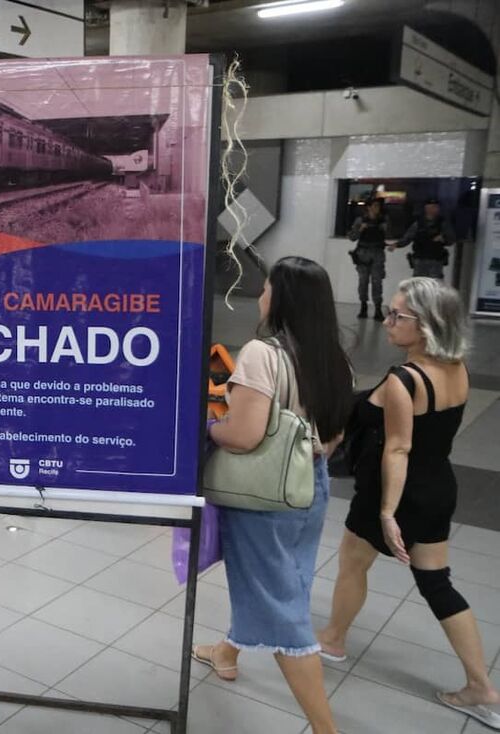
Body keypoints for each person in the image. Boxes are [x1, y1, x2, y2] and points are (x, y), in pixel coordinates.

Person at [318, 278, 500, 728]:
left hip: (393, 493)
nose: (387, 321)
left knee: (353, 562)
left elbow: (397, 449)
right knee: (437, 583)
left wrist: (386, 513)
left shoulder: (406, 380)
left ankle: (334, 639)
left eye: (397, 315)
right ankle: (482, 686)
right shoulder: (455, 369)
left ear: (424, 325)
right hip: (439, 487)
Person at [192, 257, 353, 734]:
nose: (260, 296)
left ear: (279, 298)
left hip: (264, 499)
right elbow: (337, 433)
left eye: (265, 289)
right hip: (311, 485)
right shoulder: (334, 357)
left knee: (284, 614)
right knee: (289, 581)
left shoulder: (263, 353)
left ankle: (326, 728)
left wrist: (207, 428)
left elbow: (243, 434)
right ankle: (226, 652)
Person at [347, 197, 391, 320]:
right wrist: (360, 229)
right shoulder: (360, 220)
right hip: (363, 254)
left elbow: (390, 234)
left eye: (378, 206)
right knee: (363, 281)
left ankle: (377, 309)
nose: (377, 208)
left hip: (377, 253)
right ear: (369, 207)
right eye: (375, 206)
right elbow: (352, 237)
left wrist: (385, 229)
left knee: (377, 281)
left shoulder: (383, 220)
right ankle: (363, 306)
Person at [392, 197, 457, 279]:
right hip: (420, 259)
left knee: (435, 285)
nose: (433, 209)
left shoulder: (442, 223)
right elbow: (408, 237)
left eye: (435, 207)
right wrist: (397, 244)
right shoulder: (418, 223)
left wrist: (443, 238)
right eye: (430, 207)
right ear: (426, 208)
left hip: (436, 259)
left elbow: (451, 239)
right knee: (419, 285)